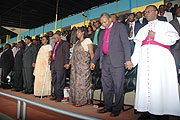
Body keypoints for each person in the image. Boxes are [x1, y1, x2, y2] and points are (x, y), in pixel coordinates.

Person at [131, 5, 180, 120]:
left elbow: (172, 40)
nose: (146, 14)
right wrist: (132, 62)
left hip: (160, 62)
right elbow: (138, 47)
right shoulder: (142, 30)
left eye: (149, 11)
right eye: (145, 12)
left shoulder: (166, 25)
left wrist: (155, 36)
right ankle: (146, 111)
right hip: (144, 63)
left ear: (156, 12)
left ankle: (162, 114)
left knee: (159, 86)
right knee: (145, 86)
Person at [90, 13, 132, 117]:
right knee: (106, 85)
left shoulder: (119, 26)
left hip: (117, 60)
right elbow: (99, 47)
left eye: (104, 22)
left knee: (118, 86)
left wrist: (128, 59)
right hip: (105, 60)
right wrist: (93, 61)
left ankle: (117, 108)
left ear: (110, 20)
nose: (103, 24)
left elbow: (125, 43)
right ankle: (107, 106)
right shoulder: (101, 32)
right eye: (101, 22)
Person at [69, 27, 94, 107]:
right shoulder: (76, 42)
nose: (77, 34)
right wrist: (69, 63)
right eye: (76, 32)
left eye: (78, 32)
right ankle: (75, 99)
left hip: (83, 66)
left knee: (82, 83)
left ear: (83, 32)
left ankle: (82, 101)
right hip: (75, 66)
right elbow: (73, 54)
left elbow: (91, 53)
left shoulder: (88, 41)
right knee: (75, 82)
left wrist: (92, 62)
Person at [49, 31, 70, 102]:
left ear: (59, 37)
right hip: (54, 64)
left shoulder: (65, 43)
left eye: (54, 38)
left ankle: (59, 96)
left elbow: (67, 54)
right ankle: (55, 95)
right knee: (54, 80)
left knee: (60, 81)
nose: (53, 40)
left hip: (61, 64)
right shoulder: (55, 44)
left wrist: (66, 63)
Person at [170, 7, 180, 83]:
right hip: (176, 47)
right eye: (177, 11)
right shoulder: (171, 23)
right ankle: (175, 81)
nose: (178, 11)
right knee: (175, 65)